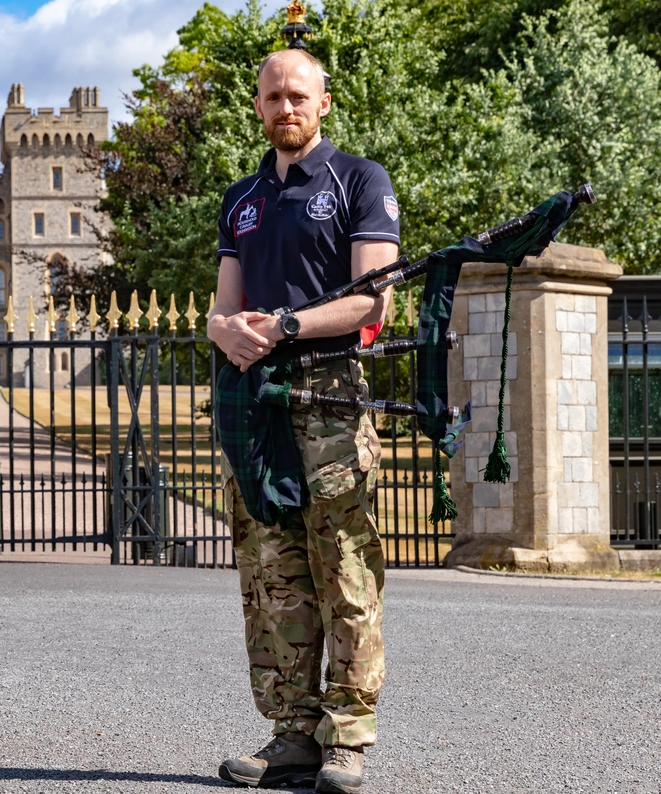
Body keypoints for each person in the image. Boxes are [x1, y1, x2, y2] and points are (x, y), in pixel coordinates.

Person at [206, 48, 399, 794]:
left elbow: (372, 299)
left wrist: (284, 325)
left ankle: (346, 737)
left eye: (298, 95)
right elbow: (221, 305)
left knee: (343, 567)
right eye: (272, 96)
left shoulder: (359, 179)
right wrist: (223, 329)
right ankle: (291, 734)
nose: (285, 107)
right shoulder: (242, 198)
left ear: (324, 103)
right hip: (257, 404)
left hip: (328, 398)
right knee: (272, 575)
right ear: (257, 105)